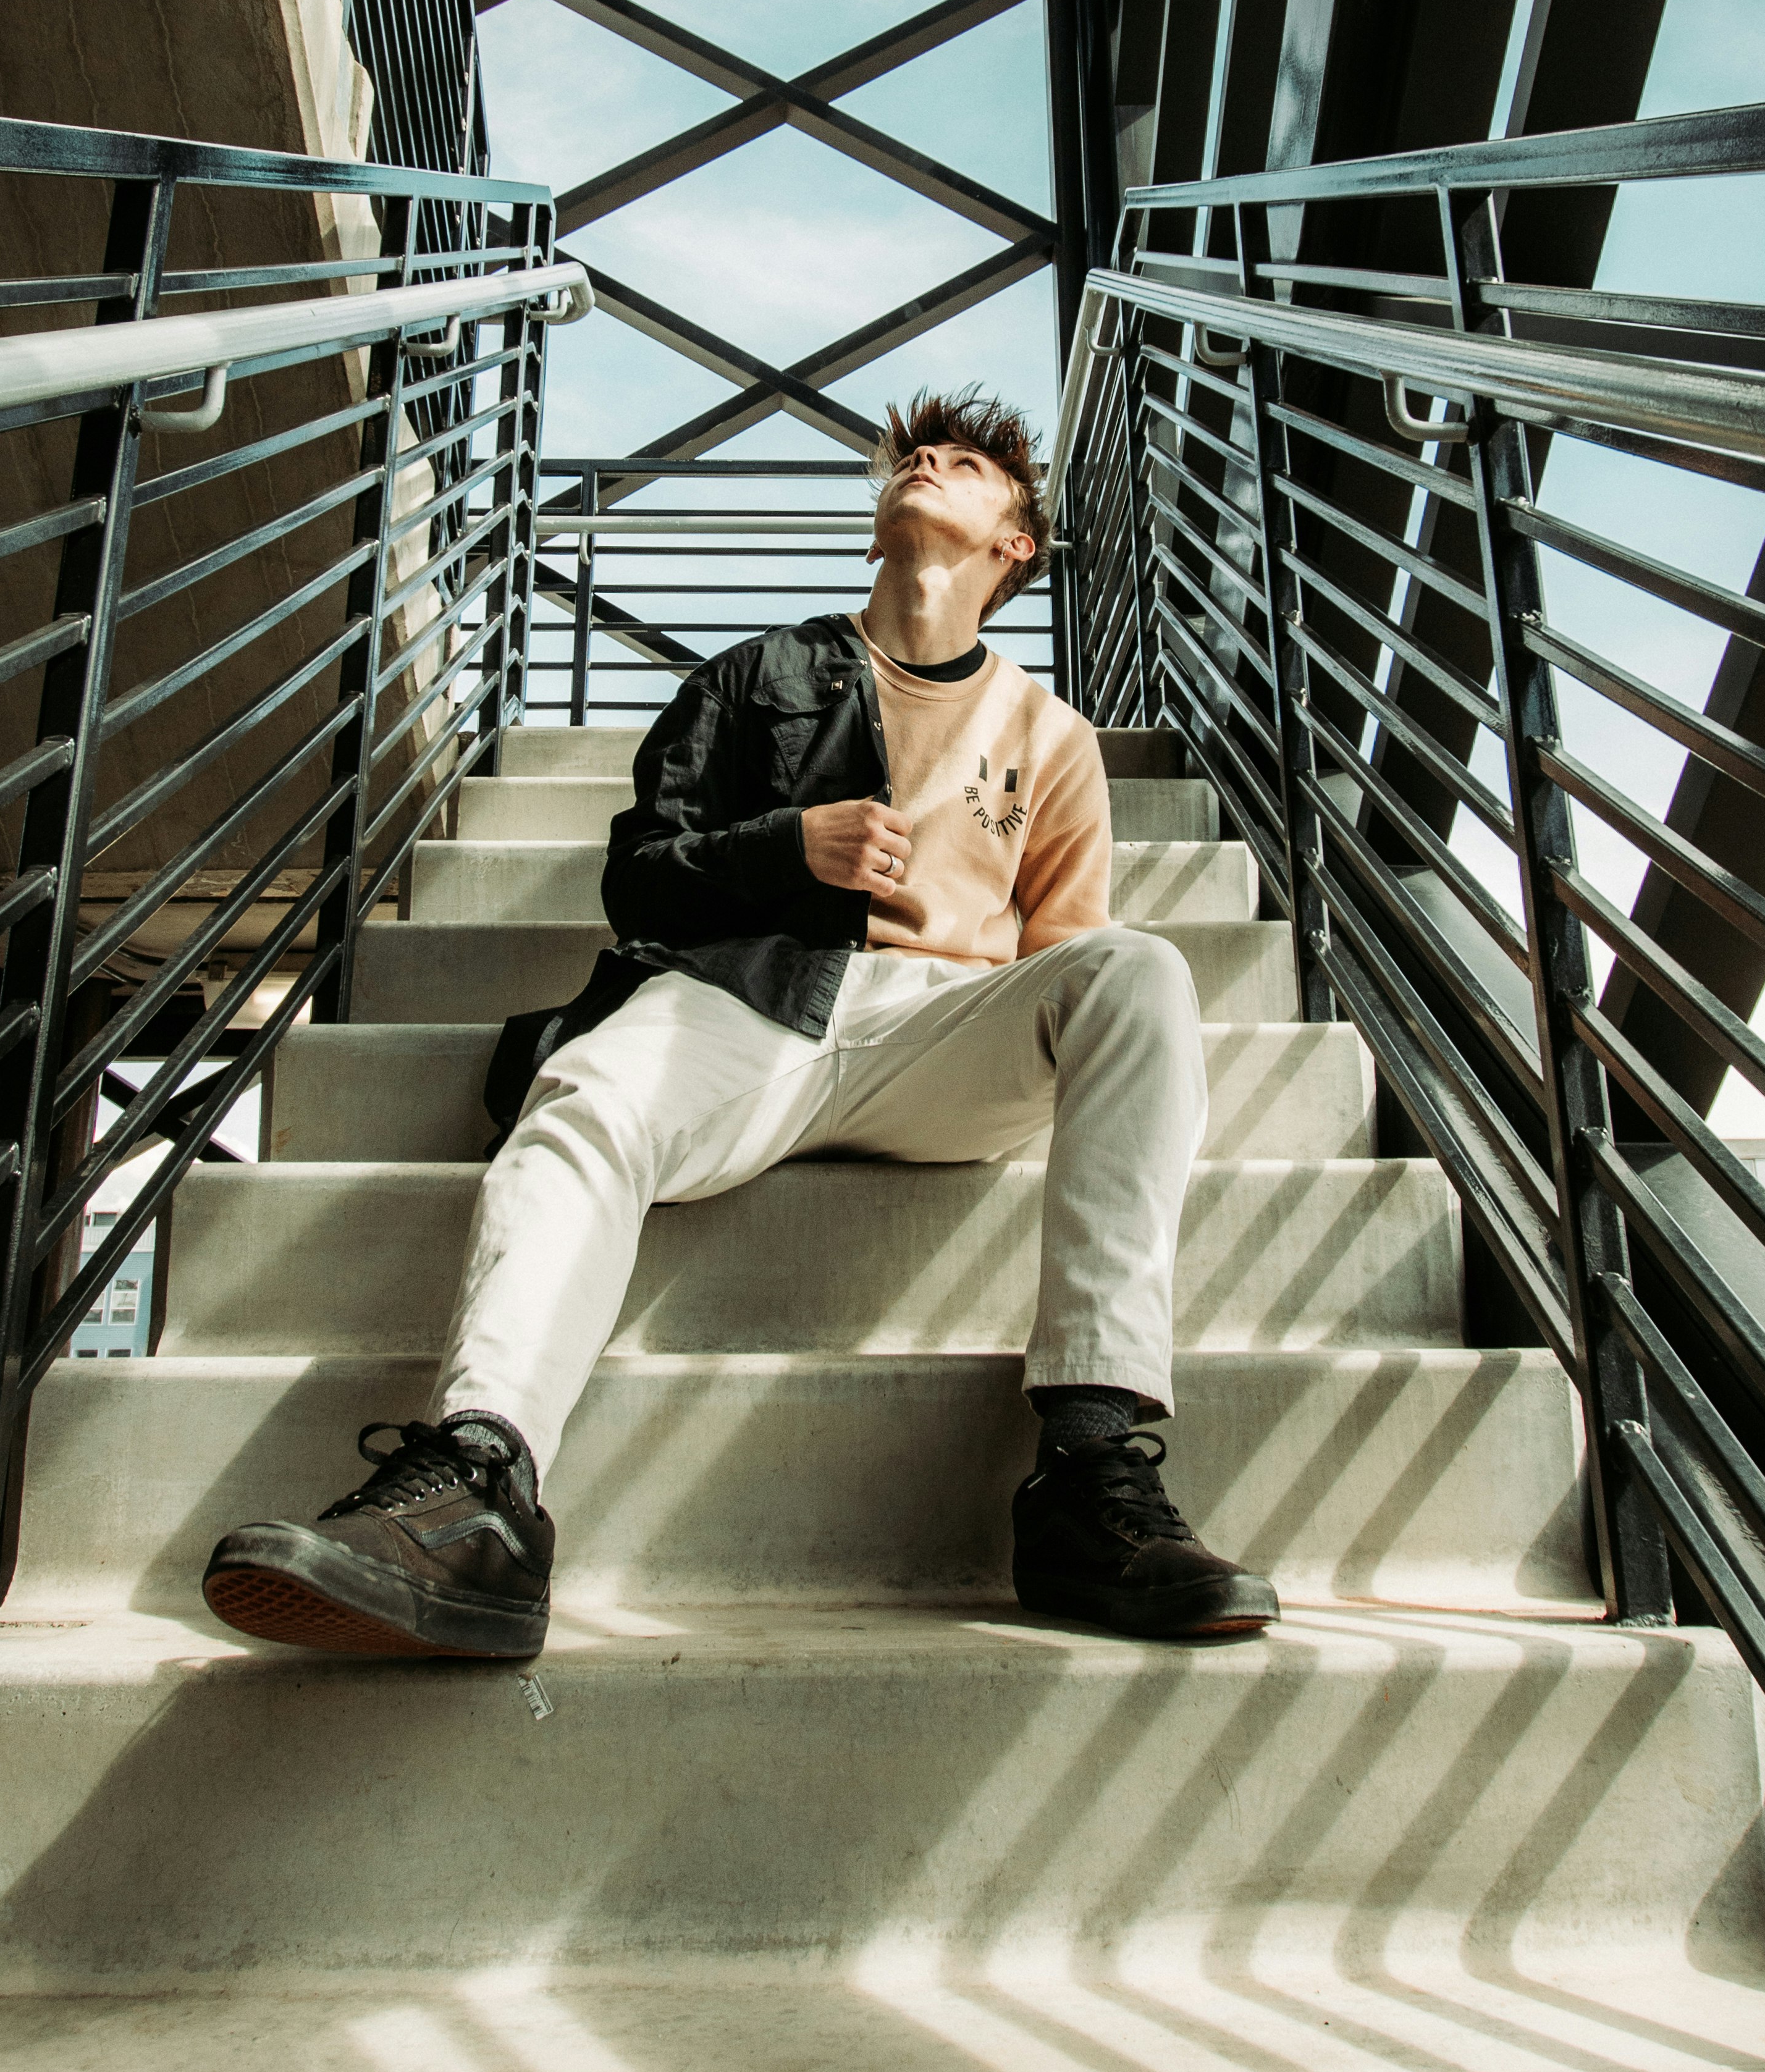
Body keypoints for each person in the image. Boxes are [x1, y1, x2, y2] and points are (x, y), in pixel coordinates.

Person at [201, 388, 1279, 1666]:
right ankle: (477, 1486)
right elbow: (640, 878)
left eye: (970, 462)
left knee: (1141, 974)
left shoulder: (1052, 738)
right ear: (878, 520)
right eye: (913, 453)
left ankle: (1090, 1474)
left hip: (946, 1036)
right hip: (752, 1002)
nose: (928, 461)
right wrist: (791, 847)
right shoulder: (753, 677)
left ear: (1017, 543)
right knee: (590, 1097)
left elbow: (1068, 966)